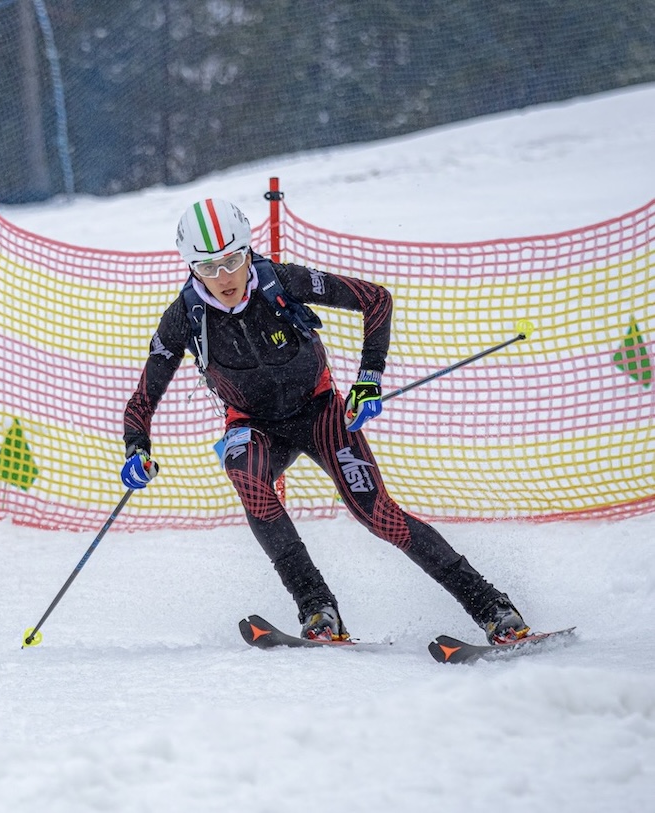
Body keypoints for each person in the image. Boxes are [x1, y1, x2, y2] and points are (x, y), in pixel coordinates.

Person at [120, 198, 532, 645]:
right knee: (247, 476)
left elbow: (376, 300)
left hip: (321, 412)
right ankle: (318, 609)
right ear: (191, 267)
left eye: (233, 260)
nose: (224, 278)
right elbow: (143, 398)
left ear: (247, 250)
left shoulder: (283, 281)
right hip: (253, 425)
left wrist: (369, 379)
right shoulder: (184, 317)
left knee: (378, 516)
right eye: (208, 267)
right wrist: (136, 449)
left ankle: (494, 608)